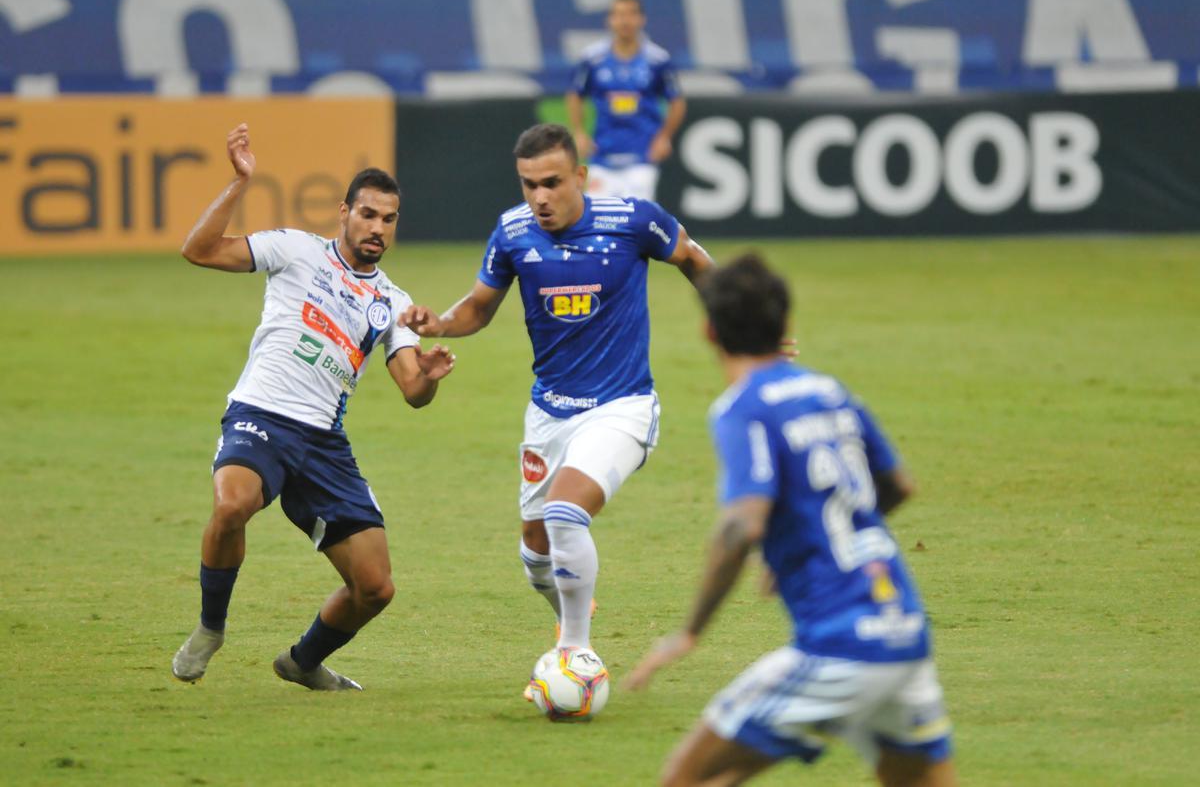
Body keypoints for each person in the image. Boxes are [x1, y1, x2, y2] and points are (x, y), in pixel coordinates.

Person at [625, 254, 957, 786]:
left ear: (709, 331)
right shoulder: (831, 392)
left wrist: (688, 633)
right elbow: (898, 485)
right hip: (903, 630)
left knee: (682, 780)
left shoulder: (742, 408)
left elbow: (741, 526)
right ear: (786, 325)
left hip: (839, 644)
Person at [400, 123, 713, 683]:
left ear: (580, 177)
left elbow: (694, 259)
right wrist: (440, 323)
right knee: (536, 550)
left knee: (564, 514)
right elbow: (479, 306)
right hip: (548, 414)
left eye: (551, 183)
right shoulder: (513, 232)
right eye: (528, 185)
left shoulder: (633, 220)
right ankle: (573, 608)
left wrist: (745, 323)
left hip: (622, 407)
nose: (539, 197)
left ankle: (575, 656)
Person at [171, 124, 455, 691]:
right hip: (262, 414)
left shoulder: (391, 302)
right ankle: (210, 629)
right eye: (368, 214)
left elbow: (413, 394)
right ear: (344, 211)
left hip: (323, 442)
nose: (377, 228)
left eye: (388, 219)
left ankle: (302, 663)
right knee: (233, 505)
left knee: (376, 588)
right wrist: (239, 182)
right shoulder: (296, 249)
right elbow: (198, 250)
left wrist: (429, 376)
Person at [566, 0, 686, 201]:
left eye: (631, 14)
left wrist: (664, 137)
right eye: (619, 15)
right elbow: (575, 94)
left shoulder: (657, 60)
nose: (624, 21)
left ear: (641, 19)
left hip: (642, 154)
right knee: (598, 215)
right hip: (602, 154)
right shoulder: (592, 59)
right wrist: (579, 132)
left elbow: (676, 101)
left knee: (637, 219)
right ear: (609, 20)